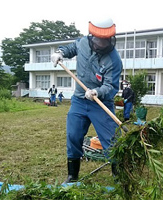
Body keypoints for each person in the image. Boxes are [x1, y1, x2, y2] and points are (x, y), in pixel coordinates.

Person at [51, 18, 122, 184]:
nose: (101, 44)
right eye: (98, 39)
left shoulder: (114, 60)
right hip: (79, 101)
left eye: (106, 40)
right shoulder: (83, 43)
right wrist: (60, 52)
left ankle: (119, 176)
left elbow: (111, 86)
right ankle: (72, 176)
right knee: (73, 135)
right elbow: (71, 48)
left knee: (111, 140)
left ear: (111, 39)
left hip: (100, 103)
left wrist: (97, 91)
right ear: (92, 36)